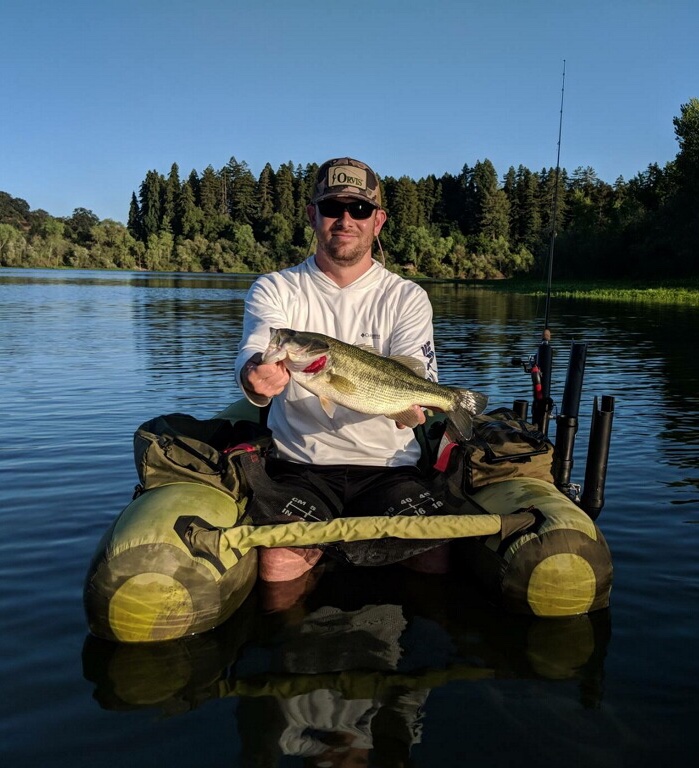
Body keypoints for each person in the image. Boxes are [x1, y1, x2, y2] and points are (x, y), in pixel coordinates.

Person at [235, 157, 450, 584]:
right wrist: (256, 377)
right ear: (314, 215)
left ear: (379, 221)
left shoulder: (406, 297)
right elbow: (256, 350)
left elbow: (411, 376)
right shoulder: (277, 288)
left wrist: (415, 406)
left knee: (435, 555)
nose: (345, 219)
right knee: (278, 564)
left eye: (360, 209)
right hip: (301, 466)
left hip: (391, 466)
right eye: (333, 208)